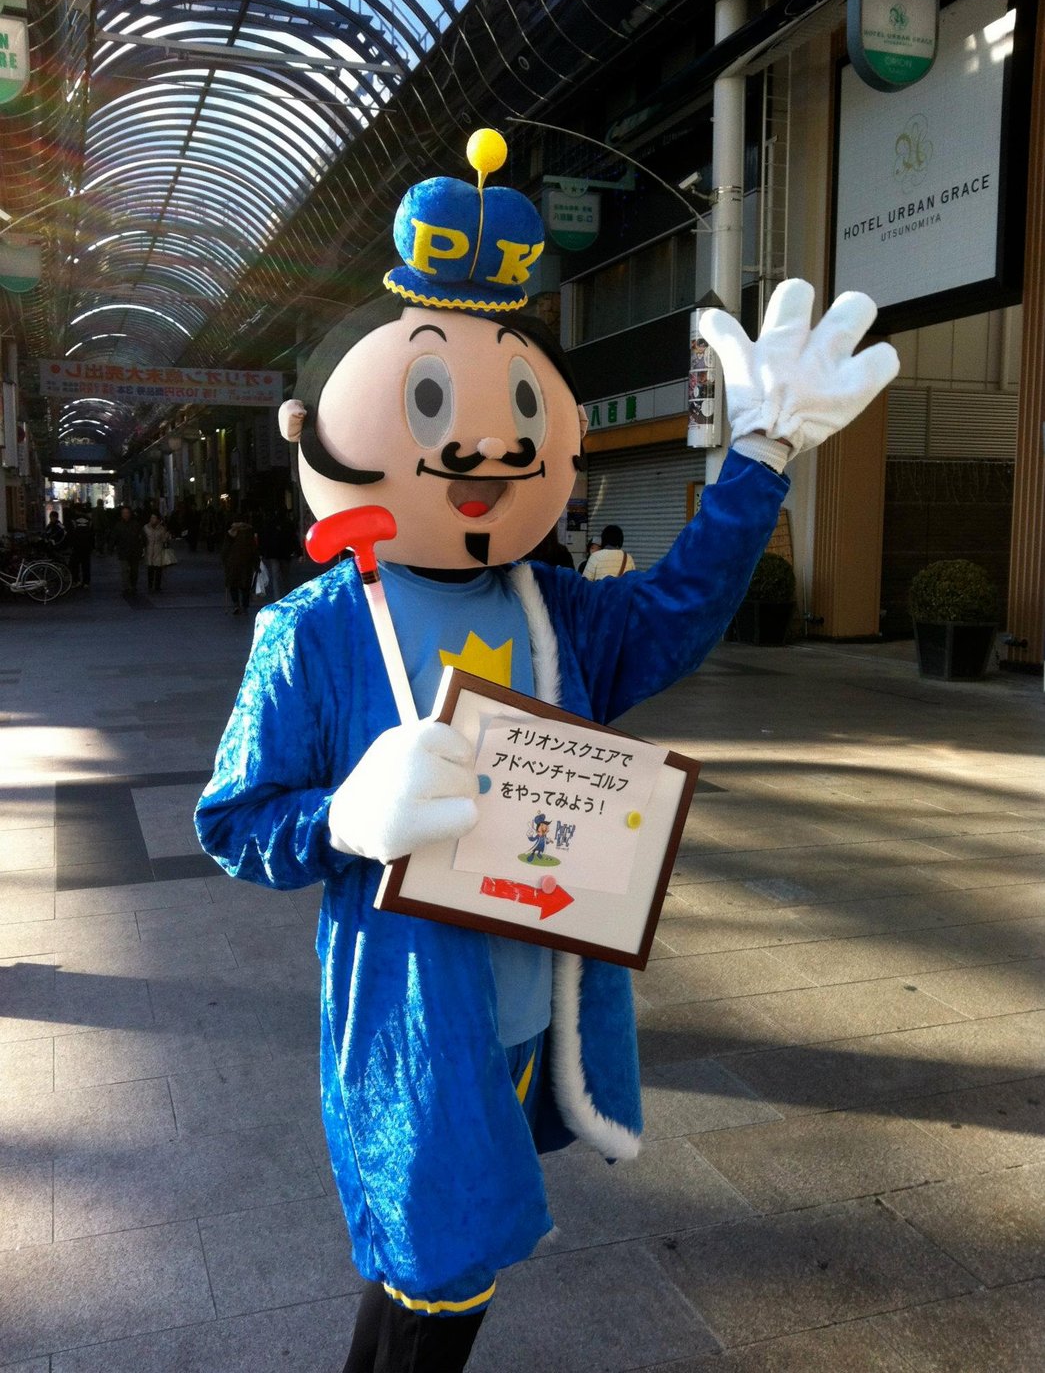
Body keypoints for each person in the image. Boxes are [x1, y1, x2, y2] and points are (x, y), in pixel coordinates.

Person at [195, 131, 898, 1373]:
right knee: (437, 1262)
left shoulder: (555, 603)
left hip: (534, 1001)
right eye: (429, 406)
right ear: (316, 429)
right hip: (415, 1013)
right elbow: (237, 816)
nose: (484, 445)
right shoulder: (313, 628)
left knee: (446, 1277)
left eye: (523, 409)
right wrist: (342, 818)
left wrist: (757, 462)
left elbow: (675, 611)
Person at [258, 510, 303, 599]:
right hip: (285, 553)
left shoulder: (270, 524)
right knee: (286, 576)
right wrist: (299, 553)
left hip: (273, 553)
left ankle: (277, 598)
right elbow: (294, 539)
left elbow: (265, 539)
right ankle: (287, 595)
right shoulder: (288, 524)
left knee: (275, 577)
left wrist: (262, 552)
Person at [221, 514, 258, 615]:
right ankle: (245, 605)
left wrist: (224, 561)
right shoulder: (249, 532)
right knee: (245, 585)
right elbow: (253, 548)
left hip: (232, 563)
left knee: (233, 584)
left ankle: (236, 604)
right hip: (246, 562)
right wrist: (256, 562)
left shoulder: (230, 533)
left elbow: (225, 549)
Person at [110, 505, 145, 596]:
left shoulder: (135, 524)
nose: (125, 515)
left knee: (134, 570)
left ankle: (133, 585)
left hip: (134, 551)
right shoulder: (118, 525)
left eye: (127, 513)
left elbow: (142, 536)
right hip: (123, 551)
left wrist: (142, 547)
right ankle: (127, 586)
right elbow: (114, 537)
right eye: (124, 513)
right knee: (124, 570)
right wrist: (111, 547)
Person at [66, 504, 95, 589]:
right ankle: (86, 582)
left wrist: (70, 545)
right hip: (86, 545)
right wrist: (92, 546)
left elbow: (70, 533)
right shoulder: (89, 520)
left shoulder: (73, 520)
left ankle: (76, 580)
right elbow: (92, 533)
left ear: (75, 510)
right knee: (86, 565)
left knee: (74, 564)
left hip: (76, 545)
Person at [142, 512, 170, 593]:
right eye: (151, 518)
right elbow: (143, 539)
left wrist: (167, 536)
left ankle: (157, 586)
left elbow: (164, 540)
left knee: (158, 570)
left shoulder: (161, 529)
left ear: (158, 519)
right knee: (150, 569)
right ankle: (150, 585)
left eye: (154, 518)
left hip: (158, 550)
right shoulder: (146, 528)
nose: (152, 520)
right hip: (149, 550)